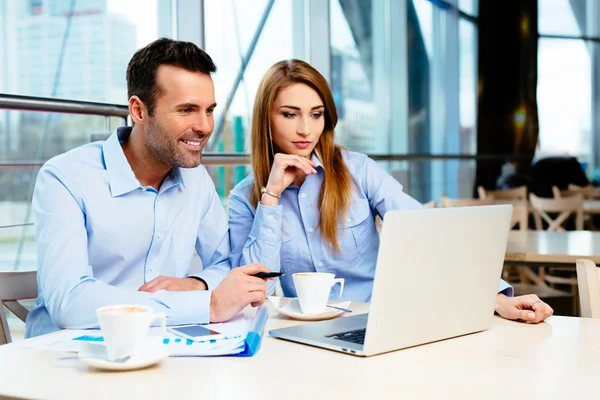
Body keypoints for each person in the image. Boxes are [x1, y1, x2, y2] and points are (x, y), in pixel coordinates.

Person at [228, 59, 553, 324]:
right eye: (290, 114)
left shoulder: (358, 171)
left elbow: (427, 233)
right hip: (292, 336)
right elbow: (254, 292)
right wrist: (270, 199)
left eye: (316, 115)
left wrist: (493, 297)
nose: (305, 129)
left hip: (373, 323)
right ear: (265, 119)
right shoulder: (245, 198)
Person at [25, 38, 272, 338]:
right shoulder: (65, 178)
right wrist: (206, 304)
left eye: (209, 110)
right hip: (70, 359)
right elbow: (70, 302)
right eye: (187, 110)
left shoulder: (196, 181)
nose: (205, 126)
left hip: (164, 351)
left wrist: (196, 285)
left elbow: (226, 264)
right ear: (139, 111)